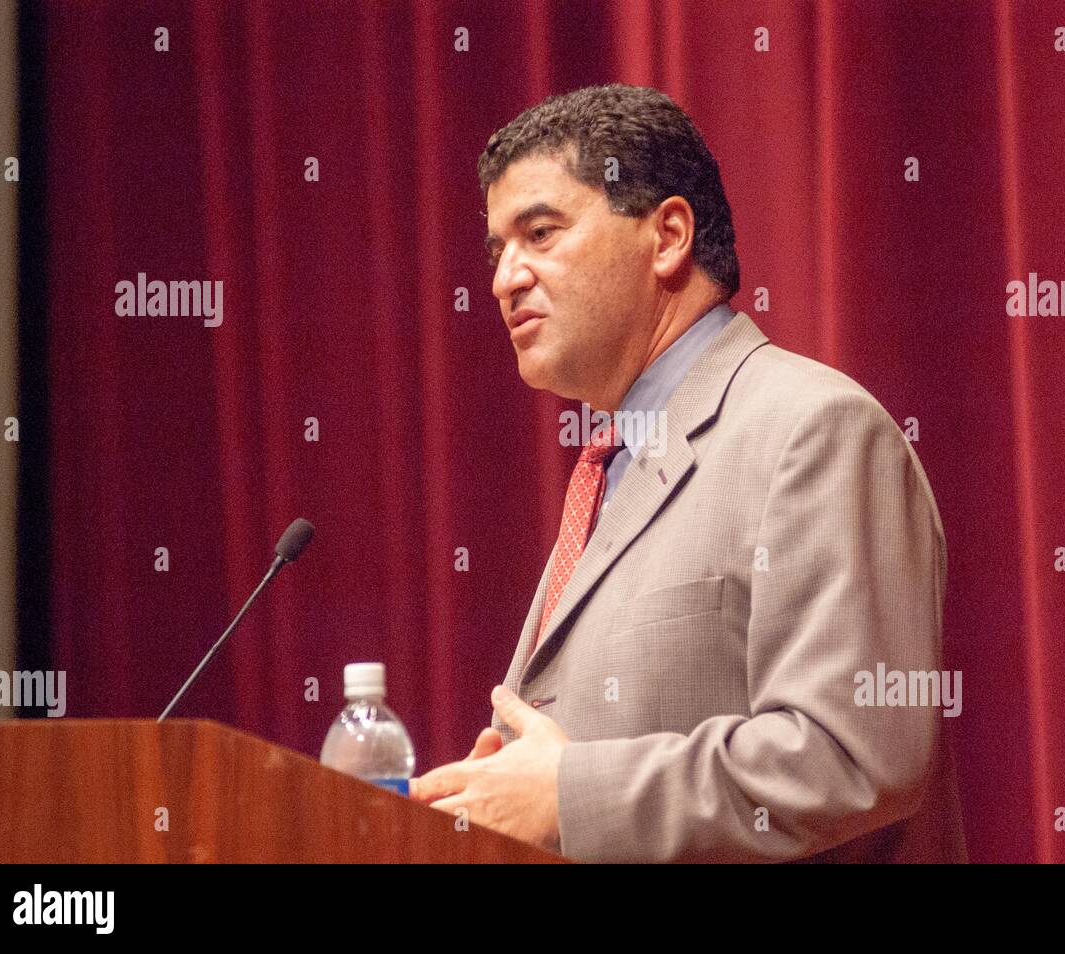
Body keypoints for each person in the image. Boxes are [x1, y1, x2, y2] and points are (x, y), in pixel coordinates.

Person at [408, 83, 966, 863]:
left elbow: (850, 754)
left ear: (668, 235)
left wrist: (568, 794)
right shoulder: (608, 469)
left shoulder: (812, 431)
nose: (505, 278)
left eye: (540, 233)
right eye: (498, 252)